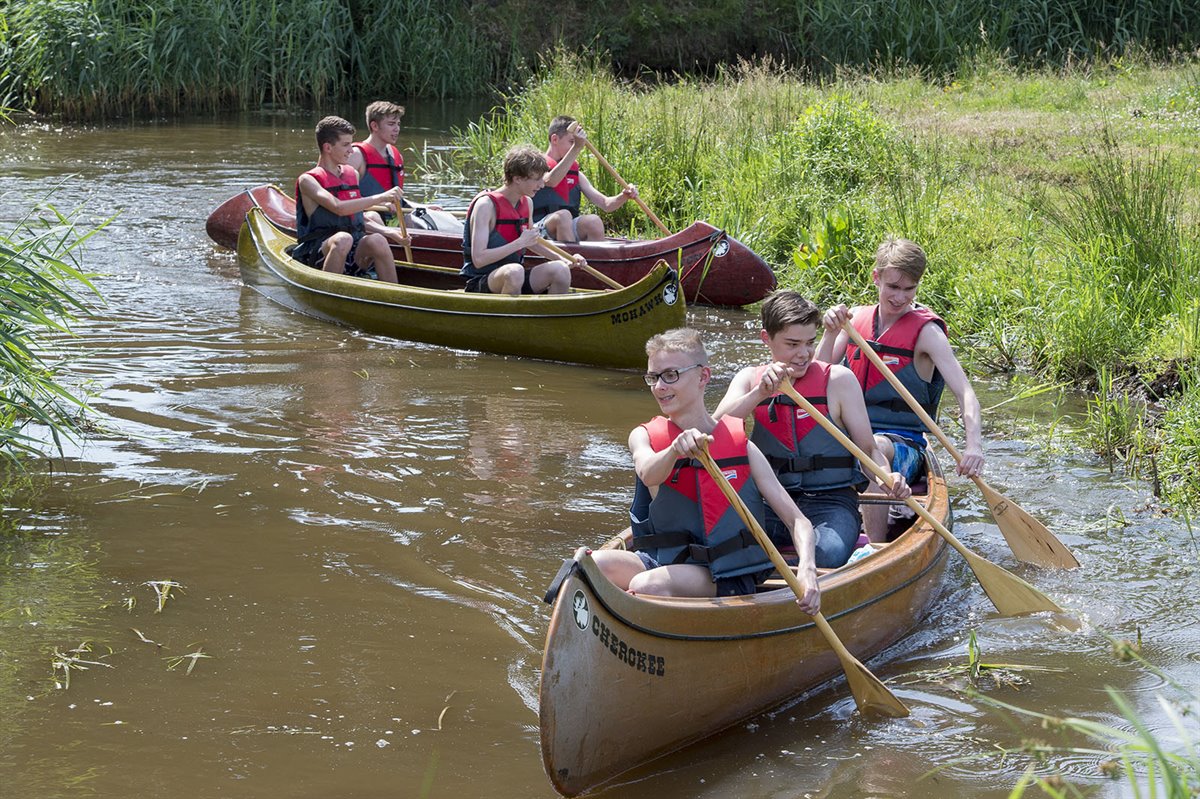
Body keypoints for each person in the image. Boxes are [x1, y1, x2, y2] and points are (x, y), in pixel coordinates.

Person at [591, 328, 821, 611]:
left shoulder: (743, 447)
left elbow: (798, 521)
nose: (659, 386)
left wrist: (808, 570)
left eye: (671, 375)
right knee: (590, 564)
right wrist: (675, 449)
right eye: (654, 377)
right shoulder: (644, 437)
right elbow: (649, 473)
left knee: (646, 586)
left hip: (724, 572)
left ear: (703, 377)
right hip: (663, 560)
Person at [715, 292, 911, 558]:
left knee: (827, 554)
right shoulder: (749, 379)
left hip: (831, 503)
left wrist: (887, 478)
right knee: (727, 548)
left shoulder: (839, 380)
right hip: (772, 502)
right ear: (766, 339)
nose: (803, 354)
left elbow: (869, 451)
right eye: (792, 344)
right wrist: (759, 394)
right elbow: (714, 433)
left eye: (810, 343)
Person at [815, 237, 985, 536]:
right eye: (893, 287)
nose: (900, 297)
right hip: (848, 432)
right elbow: (813, 377)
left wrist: (974, 446)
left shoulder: (927, 334)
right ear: (876, 277)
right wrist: (829, 333)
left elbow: (965, 393)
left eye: (909, 289)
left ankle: (874, 549)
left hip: (901, 443)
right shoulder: (854, 321)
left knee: (873, 448)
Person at [461, 145, 586, 295]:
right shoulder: (486, 206)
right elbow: (479, 259)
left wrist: (567, 259)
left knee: (561, 270)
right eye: (537, 179)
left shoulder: (527, 202)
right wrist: (520, 243)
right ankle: (509, 317)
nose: (542, 185)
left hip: (514, 275)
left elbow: (532, 242)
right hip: (481, 280)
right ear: (517, 179)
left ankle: (551, 316)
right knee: (515, 272)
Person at [292, 115, 402, 282]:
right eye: (345, 145)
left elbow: (357, 217)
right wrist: (380, 197)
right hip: (318, 253)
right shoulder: (308, 180)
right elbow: (339, 207)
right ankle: (327, 295)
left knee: (378, 240)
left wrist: (391, 233)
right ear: (328, 147)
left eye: (351, 143)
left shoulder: (353, 174)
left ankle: (396, 297)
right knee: (343, 239)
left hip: (353, 252)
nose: (351, 150)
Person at [531, 115, 639, 243]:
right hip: (537, 230)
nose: (575, 146)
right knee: (563, 216)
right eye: (571, 142)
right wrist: (577, 147)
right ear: (554, 139)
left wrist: (624, 196)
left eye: (575, 143)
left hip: (567, 229)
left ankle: (596, 262)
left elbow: (606, 204)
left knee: (593, 221)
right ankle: (570, 262)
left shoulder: (577, 175)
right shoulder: (536, 166)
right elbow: (551, 181)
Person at [346, 100, 439, 241]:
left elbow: (398, 200)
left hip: (392, 218)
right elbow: (344, 198)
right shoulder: (357, 155)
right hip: (366, 220)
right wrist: (380, 203)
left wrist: (423, 206)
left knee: (415, 218)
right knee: (373, 216)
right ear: (374, 126)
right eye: (391, 124)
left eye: (398, 124)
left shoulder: (396, 156)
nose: (397, 129)